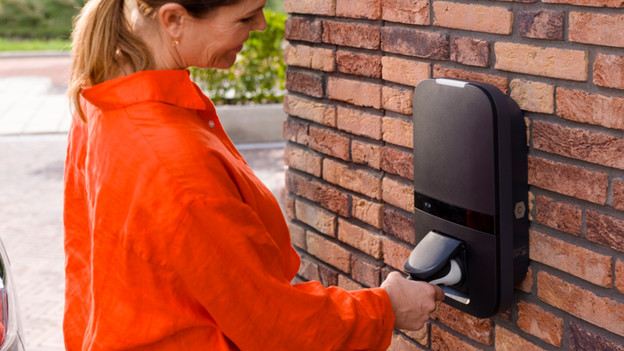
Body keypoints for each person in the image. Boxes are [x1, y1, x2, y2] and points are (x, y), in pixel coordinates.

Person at [64, 0, 445, 349]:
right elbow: (275, 327)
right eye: (246, 16)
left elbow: (84, 267)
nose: (262, 24)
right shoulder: (176, 164)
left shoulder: (103, 104)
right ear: (174, 19)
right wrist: (388, 308)